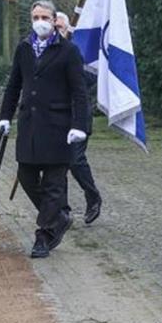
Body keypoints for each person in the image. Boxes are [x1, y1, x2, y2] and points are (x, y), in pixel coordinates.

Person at [0, 0, 89, 258]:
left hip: (58, 128)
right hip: (29, 128)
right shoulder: (24, 48)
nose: (40, 21)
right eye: (36, 16)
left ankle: (43, 235)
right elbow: (14, 85)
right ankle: (58, 217)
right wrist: (5, 116)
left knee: (53, 185)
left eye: (45, 17)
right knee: (27, 177)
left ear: (54, 20)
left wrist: (79, 125)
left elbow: (79, 92)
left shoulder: (68, 51)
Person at [55, 12, 103, 224]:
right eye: (53, 26)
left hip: (77, 117)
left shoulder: (78, 50)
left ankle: (92, 196)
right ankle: (63, 210)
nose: (56, 31)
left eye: (60, 28)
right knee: (57, 166)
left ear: (68, 30)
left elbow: (91, 78)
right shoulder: (42, 51)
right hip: (54, 117)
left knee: (75, 161)